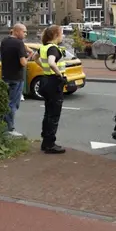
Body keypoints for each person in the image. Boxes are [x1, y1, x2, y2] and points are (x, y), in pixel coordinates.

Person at [0, 23, 34, 137]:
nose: (25, 34)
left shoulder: (4, 41)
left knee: (5, 102)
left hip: (5, 76)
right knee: (13, 104)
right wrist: (29, 57)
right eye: (24, 32)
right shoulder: (19, 43)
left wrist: (27, 49)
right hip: (16, 78)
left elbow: (22, 46)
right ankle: (9, 129)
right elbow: (23, 63)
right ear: (17, 31)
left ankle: (2, 125)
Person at [37, 24, 67, 154]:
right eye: (62, 33)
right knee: (54, 114)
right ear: (56, 36)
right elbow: (51, 62)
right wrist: (59, 74)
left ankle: (45, 141)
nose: (63, 36)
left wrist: (44, 69)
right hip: (54, 82)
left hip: (45, 80)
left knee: (48, 113)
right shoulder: (53, 49)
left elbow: (34, 58)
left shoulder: (43, 47)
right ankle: (50, 144)